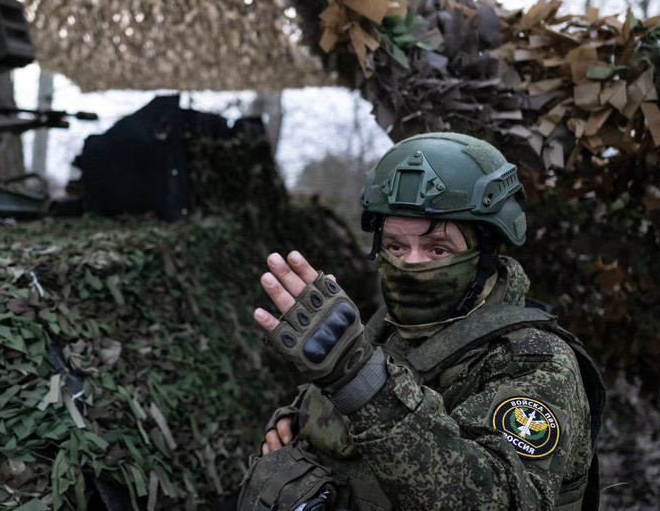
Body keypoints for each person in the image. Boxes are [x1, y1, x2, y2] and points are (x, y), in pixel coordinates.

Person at [235, 132, 604, 511]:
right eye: (395, 246)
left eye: (437, 249)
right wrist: (295, 428)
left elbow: (495, 500)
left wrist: (359, 380)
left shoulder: (535, 361)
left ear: (485, 252)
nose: (410, 264)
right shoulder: (390, 329)